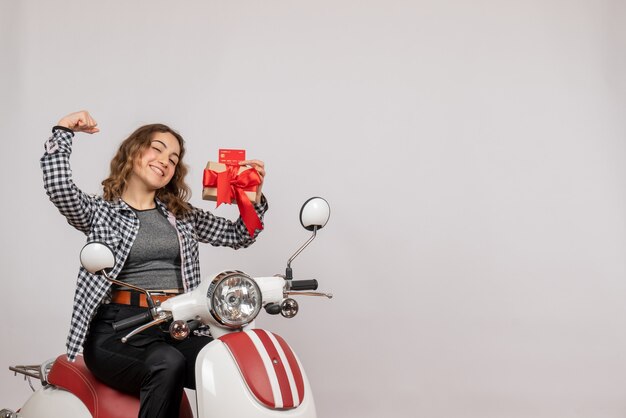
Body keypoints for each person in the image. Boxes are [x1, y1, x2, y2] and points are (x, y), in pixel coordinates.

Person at [40, 110, 268, 418]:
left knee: (228, 361)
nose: (165, 160)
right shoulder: (100, 212)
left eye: (173, 159)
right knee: (167, 362)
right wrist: (63, 131)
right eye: (157, 148)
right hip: (118, 330)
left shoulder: (184, 216)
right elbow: (59, 189)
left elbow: (240, 234)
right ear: (133, 152)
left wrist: (250, 195)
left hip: (176, 326)